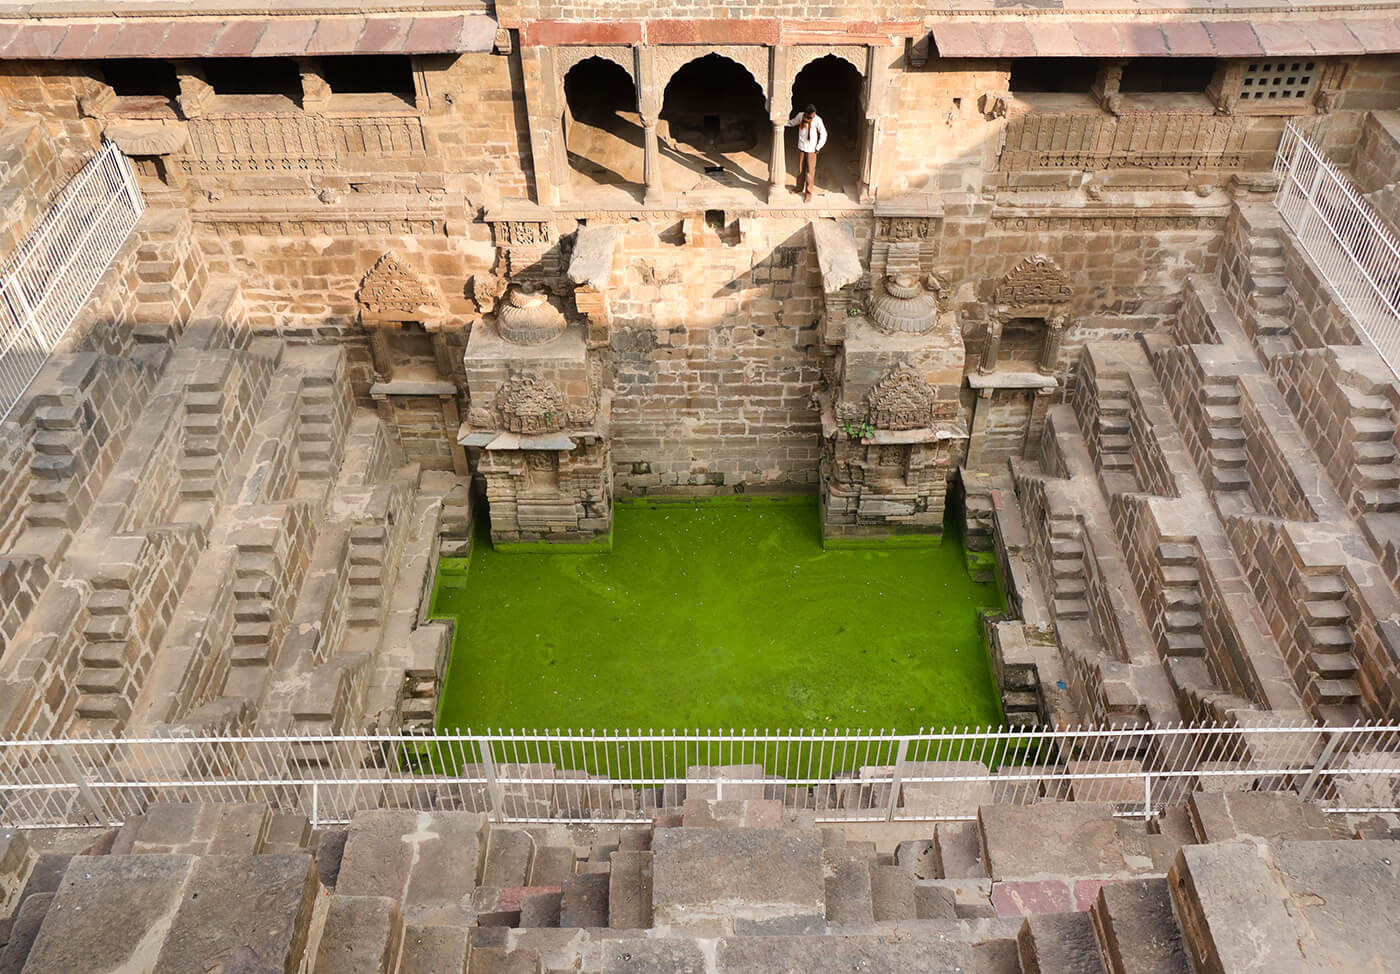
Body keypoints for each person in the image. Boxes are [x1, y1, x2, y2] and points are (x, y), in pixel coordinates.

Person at [785, 103, 827, 202]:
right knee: (800, 169)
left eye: (814, 113)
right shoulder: (801, 116)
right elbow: (792, 123)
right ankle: (798, 188)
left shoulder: (817, 120)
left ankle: (808, 192)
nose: (813, 115)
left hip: (812, 150)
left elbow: (824, 134)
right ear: (807, 113)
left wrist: (818, 146)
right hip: (801, 147)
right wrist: (781, 122)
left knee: (810, 172)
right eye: (812, 114)